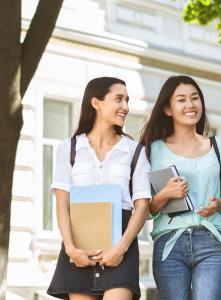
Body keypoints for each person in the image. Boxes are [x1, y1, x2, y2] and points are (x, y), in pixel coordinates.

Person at [140, 75, 221, 300]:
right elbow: (145, 210)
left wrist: (219, 205)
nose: (190, 105)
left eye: (195, 98)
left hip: (213, 240)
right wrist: (166, 194)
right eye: (181, 100)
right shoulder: (153, 150)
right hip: (169, 243)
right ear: (168, 109)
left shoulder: (218, 146)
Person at [47, 77, 151, 300]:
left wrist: (121, 248)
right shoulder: (69, 148)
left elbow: (142, 205)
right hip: (79, 241)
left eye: (127, 100)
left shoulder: (135, 151)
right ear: (96, 102)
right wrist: (71, 248)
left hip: (122, 241)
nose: (125, 107)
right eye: (119, 99)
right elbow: (62, 202)